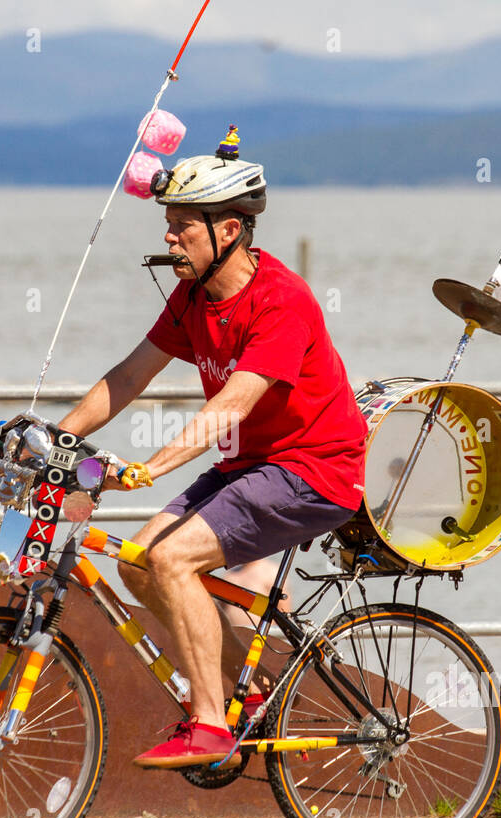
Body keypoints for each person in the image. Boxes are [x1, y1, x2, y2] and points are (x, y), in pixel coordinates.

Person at [57, 128, 367, 769]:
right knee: (140, 562)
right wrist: (58, 437)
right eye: (168, 225)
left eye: (182, 228)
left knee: (171, 560)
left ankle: (208, 726)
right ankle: (251, 696)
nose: (169, 238)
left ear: (229, 230)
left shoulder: (281, 302)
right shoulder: (192, 296)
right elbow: (129, 375)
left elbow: (231, 405)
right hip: (250, 466)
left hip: (315, 470)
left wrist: (147, 467)